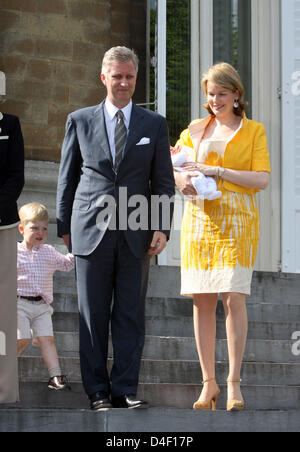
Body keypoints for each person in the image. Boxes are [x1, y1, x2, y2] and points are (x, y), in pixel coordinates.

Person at [56, 46, 175, 411]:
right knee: (92, 314)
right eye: (117, 76)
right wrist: (65, 226)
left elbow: (163, 181)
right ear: (103, 77)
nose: (123, 83)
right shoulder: (79, 120)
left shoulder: (153, 124)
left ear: (136, 79)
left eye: (130, 76)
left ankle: (124, 389)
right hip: (89, 229)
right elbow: (67, 178)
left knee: (129, 314)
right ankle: (96, 393)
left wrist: (162, 226)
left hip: (137, 231)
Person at [173, 62, 271, 411]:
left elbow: (261, 180)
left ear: (236, 94)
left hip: (239, 217)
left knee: (233, 295)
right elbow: (172, 165)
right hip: (200, 218)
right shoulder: (194, 130)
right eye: (211, 94)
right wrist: (180, 180)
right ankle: (208, 384)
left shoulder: (253, 130)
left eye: (222, 93)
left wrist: (216, 170)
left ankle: (233, 383)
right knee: (201, 300)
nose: (215, 99)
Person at [17, 203, 74, 390]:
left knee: (47, 339)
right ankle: (6, 364)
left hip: (42, 307)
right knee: (22, 338)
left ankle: (55, 376)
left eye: (44, 228)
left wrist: (79, 248)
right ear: (21, 229)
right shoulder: (13, 251)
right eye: (34, 227)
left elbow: (66, 264)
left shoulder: (48, 251)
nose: (40, 232)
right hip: (19, 304)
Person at [0, 71, 24, 404]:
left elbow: (15, 175)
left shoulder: (10, 125)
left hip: (2, 225)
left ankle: (3, 389)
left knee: (3, 312)